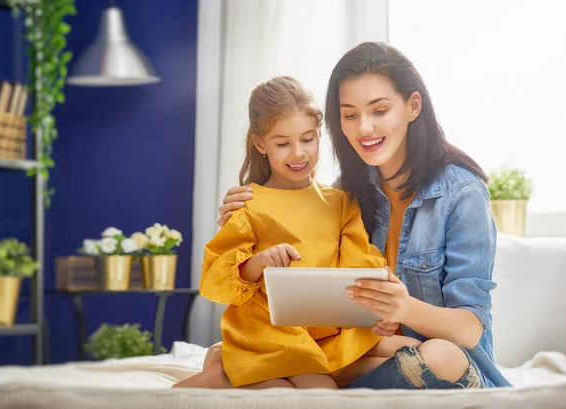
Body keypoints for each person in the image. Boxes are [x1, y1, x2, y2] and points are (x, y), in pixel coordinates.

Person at [215, 42, 511, 389]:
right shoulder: (348, 192)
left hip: (446, 365)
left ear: (413, 106)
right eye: (350, 114)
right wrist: (245, 212)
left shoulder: (461, 193)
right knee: (244, 352)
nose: (364, 128)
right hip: (364, 352)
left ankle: (279, 382)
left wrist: (404, 309)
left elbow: (469, 328)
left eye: (379, 110)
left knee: (442, 356)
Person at [174, 76, 420, 390]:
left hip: (327, 333)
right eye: (282, 143)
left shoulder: (341, 203)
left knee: (409, 353)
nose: (298, 153)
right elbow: (216, 285)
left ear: (320, 135)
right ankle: (227, 368)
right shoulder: (249, 203)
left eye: (307, 139)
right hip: (272, 334)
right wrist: (258, 263)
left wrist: (381, 307)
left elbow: (363, 266)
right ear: (260, 144)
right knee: (318, 392)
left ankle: (226, 365)